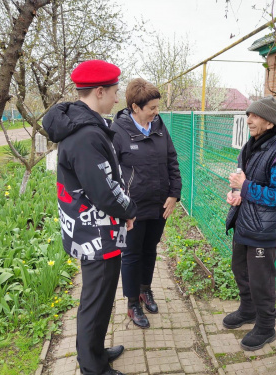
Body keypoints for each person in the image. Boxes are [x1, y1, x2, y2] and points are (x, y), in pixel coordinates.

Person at [43, 60, 137, 375]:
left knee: (99, 296)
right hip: (95, 233)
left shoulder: (86, 126)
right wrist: (129, 211)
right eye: (113, 91)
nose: (116, 97)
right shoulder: (85, 135)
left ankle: (95, 351)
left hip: (94, 230)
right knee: (95, 301)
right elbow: (104, 191)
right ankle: (92, 367)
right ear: (99, 91)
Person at [224, 96, 276, 351]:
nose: (249, 120)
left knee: (261, 280)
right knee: (240, 270)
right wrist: (236, 193)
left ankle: (266, 327)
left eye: (254, 116)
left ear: (268, 122)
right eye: (248, 115)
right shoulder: (251, 146)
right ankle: (248, 310)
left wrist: (245, 187)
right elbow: (244, 180)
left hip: (263, 231)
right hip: (245, 224)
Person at [111, 78, 182, 329]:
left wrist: (174, 194)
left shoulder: (159, 126)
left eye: (156, 106)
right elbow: (110, 172)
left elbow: (172, 160)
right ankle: (132, 303)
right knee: (131, 253)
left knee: (150, 249)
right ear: (134, 107)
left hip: (159, 203)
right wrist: (121, 205)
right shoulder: (117, 131)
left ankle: (145, 290)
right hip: (133, 207)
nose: (156, 111)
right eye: (151, 107)